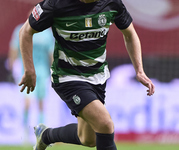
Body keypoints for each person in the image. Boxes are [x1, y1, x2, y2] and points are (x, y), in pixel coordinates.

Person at [19, 0, 155, 149]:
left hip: (98, 77)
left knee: (88, 139)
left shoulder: (111, 3)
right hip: (68, 77)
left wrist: (140, 71)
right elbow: (25, 32)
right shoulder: (55, 4)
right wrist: (29, 70)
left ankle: (45, 135)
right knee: (105, 123)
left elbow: (130, 34)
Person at [8, 10, 54, 135]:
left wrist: (53, 70)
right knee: (27, 101)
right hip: (26, 71)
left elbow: (51, 53)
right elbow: (13, 48)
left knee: (41, 101)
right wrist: (13, 66)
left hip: (42, 72)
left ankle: (41, 130)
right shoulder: (21, 29)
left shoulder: (46, 33)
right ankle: (24, 129)